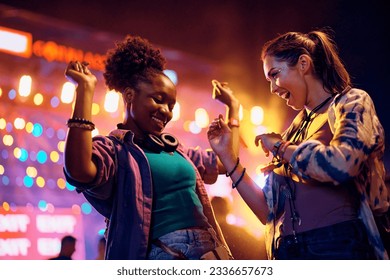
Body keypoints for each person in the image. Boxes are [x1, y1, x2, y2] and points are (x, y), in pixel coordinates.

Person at [207, 28, 389, 260]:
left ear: (303, 64)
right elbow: (267, 211)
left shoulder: (352, 101)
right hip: (287, 251)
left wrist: (281, 148)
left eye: (275, 74)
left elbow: (343, 165)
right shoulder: (293, 132)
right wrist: (228, 158)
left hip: (337, 247)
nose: (272, 88)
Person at [63, 34, 240, 259]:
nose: (166, 111)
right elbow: (78, 171)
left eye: (171, 105)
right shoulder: (114, 149)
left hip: (210, 250)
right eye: (158, 99)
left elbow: (227, 161)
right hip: (163, 254)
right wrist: (84, 90)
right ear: (129, 95)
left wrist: (233, 108)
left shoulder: (177, 150)